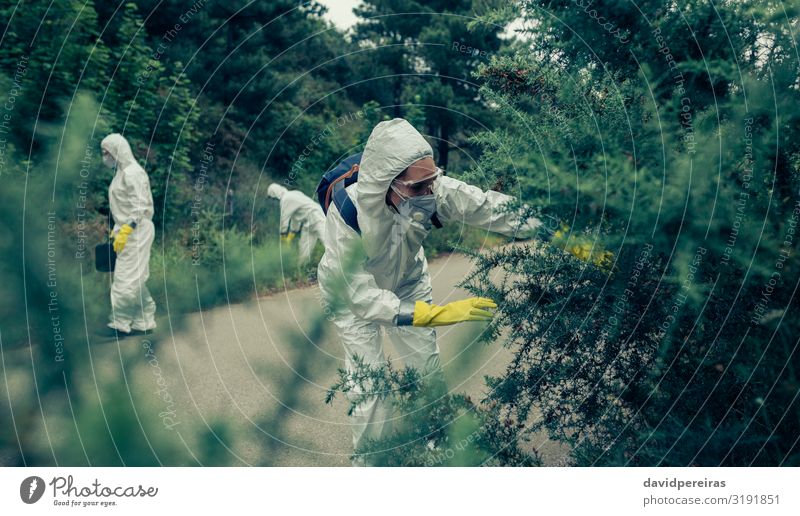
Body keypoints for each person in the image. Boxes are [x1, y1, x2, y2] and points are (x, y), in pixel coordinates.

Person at [316, 118, 543, 463]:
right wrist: (430, 315)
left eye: (432, 181)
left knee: (426, 371)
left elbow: (490, 208)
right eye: (418, 187)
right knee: (370, 383)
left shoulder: (434, 188)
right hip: (349, 295)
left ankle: (436, 448)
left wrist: (559, 231)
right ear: (385, 185)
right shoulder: (347, 212)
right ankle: (370, 462)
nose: (429, 192)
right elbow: (360, 295)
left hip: (407, 279)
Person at [97, 133, 156, 338]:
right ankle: (144, 321)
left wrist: (127, 229)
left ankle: (119, 323)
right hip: (127, 231)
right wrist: (118, 233)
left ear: (117, 151)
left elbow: (140, 207)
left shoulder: (133, 173)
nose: (105, 157)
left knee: (124, 278)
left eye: (106, 153)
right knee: (135, 277)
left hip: (137, 230)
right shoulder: (121, 173)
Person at [266, 183, 327, 264]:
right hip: (308, 222)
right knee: (304, 249)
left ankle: (341, 267)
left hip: (317, 217)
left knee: (327, 242)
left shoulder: (286, 199)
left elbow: (284, 220)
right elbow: (295, 219)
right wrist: (290, 236)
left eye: (273, 198)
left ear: (274, 194)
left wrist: (283, 237)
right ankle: (301, 269)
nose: (274, 201)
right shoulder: (293, 193)